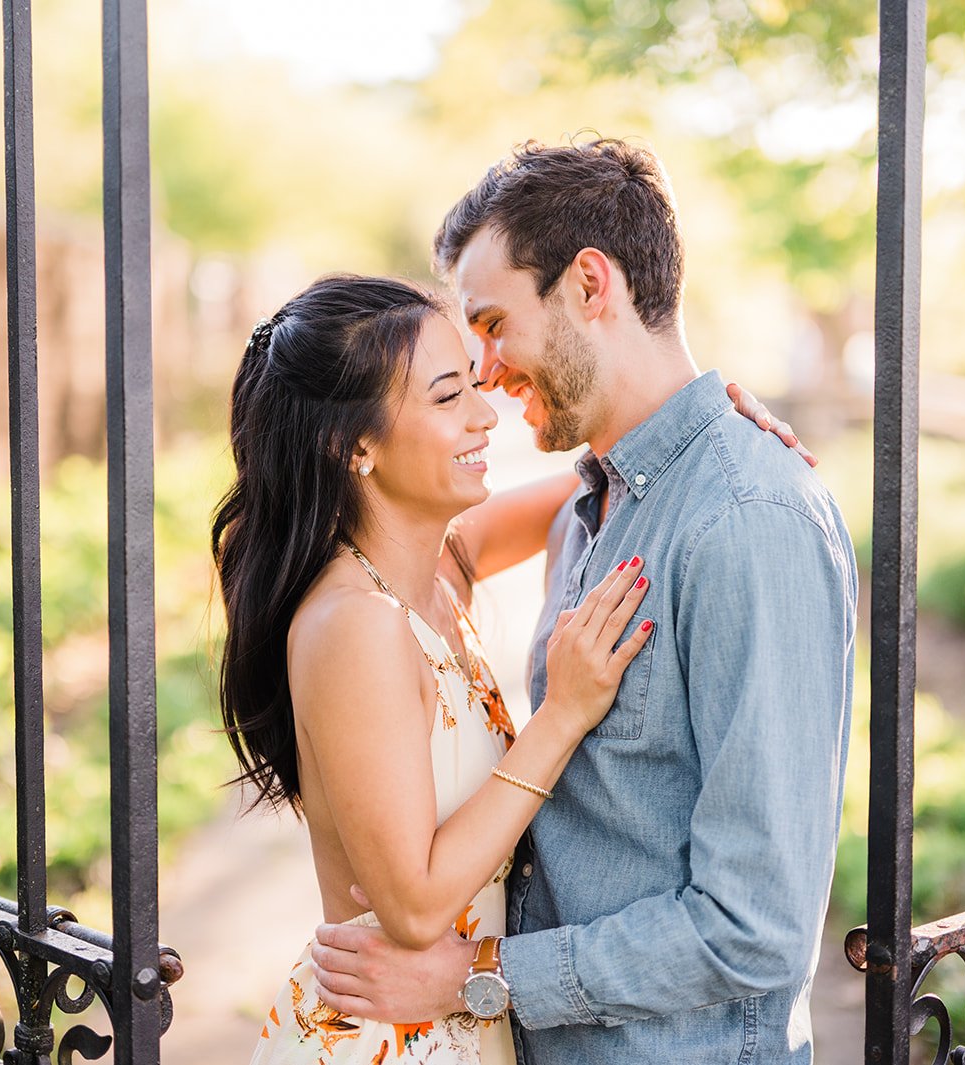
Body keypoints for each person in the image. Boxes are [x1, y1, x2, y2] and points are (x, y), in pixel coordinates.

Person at [310, 138, 857, 1063]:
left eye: (491, 323)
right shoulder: (594, 498)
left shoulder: (748, 522)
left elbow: (753, 927)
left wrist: (486, 975)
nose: (483, 370)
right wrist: (707, 411)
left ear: (590, 285)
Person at [215, 274, 801, 1064]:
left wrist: (700, 425)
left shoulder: (431, 571)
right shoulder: (357, 624)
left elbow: (608, 475)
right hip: (390, 1034)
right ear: (353, 444)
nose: (485, 413)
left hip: (453, 1021)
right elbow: (416, 904)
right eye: (448, 395)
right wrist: (562, 715)